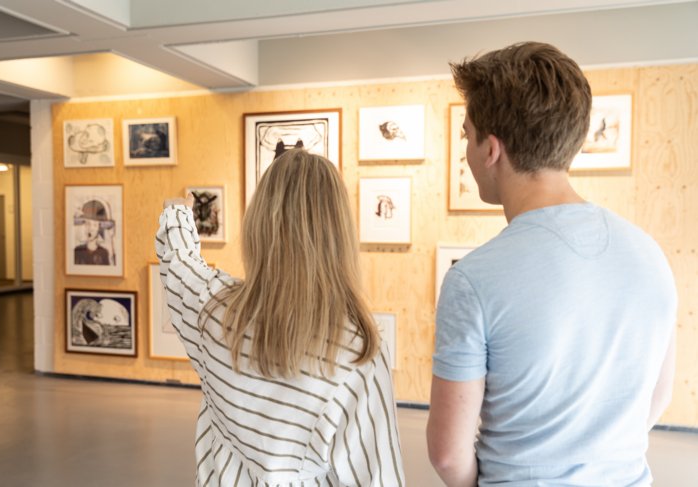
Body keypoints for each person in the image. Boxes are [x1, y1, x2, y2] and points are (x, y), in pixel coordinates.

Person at [427, 42, 677, 486]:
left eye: (467, 134)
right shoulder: (649, 254)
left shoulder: (473, 279)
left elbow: (448, 454)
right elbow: (658, 397)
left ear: (491, 150)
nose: (465, 151)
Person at [155, 149, 404, 486]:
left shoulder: (212, 312)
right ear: (340, 234)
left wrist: (177, 212)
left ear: (258, 225)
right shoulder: (357, 354)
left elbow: (179, 262)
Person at [74, 199, 115, 266]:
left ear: (99, 228)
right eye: (88, 224)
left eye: (95, 225)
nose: (91, 229)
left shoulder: (104, 253)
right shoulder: (77, 252)